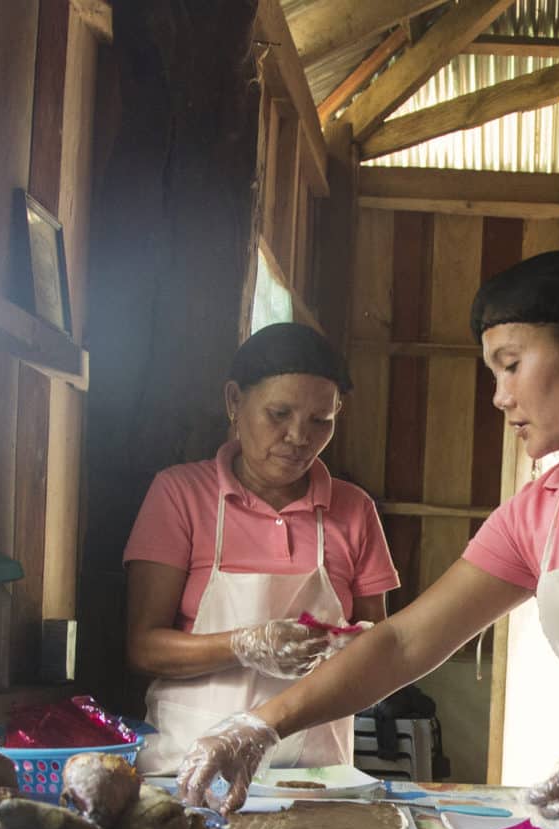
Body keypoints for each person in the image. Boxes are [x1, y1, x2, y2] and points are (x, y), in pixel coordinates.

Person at [177, 250, 559, 824]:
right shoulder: (543, 508)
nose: (500, 397)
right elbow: (402, 641)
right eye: (493, 374)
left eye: (511, 365)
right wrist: (260, 725)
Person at [124, 322, 398, 772]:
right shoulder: (180, 494)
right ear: (234, 401)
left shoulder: (353, 509)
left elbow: (381, 650)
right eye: (279, 414)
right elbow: (144, 648)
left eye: (320, 421)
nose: (298, 437)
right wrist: (247, 644)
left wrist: (357, 649)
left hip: (316, 775)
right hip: (189, 765)